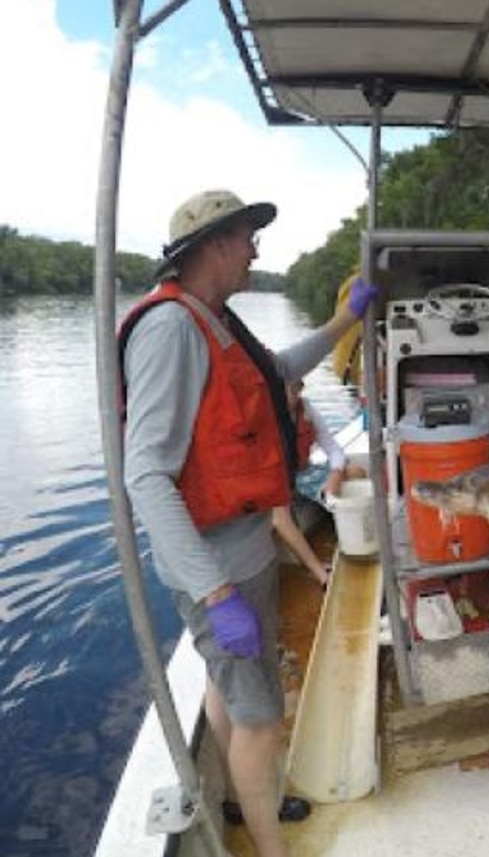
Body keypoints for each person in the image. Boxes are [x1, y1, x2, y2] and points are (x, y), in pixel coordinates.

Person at [119, 189, 379, 857]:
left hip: (241, 552)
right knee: (261, 719)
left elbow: (280, 370)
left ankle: (239, 796)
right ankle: (269, 844)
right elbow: (143, 473)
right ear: (212, 246)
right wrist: (215, 593)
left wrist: (339, 322)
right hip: (221, 568)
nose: (256, 248)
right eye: (246, 236)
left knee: (224, 688)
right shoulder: (173, 329)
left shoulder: (217, 320)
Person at [271, 379, 367, 588]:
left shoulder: (306, 409)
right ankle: (320, 573)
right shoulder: (264, 418)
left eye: (295, 389)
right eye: (285, 390)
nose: (291, 396)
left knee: (355, 471)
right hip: (274, 480)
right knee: (279, 517)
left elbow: (334, 450)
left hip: (302, 473)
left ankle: (356, 539)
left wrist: (334, 478)